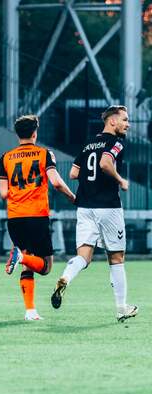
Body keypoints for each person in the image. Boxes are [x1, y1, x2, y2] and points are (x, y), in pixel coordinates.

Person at [51, 105, 138, 323]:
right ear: (112, 121)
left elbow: (73, 173)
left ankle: (65, 278)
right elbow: (105, 163)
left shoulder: (89, 144)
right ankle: (121, 308)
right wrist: (120, 180)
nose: (127, 124)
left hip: (85, 207)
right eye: (124, 120)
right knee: (116, 258)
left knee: (83, 256)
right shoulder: (116, 143)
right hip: (108, 207)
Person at [0, 114, 75, 321]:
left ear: (17, 134)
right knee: (46, 267)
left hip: (15, 217)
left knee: (28, 263)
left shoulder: (5, 157)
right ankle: (20, 257)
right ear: (35, 133)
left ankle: (30, 311)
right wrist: (72, 197)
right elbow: (56, 183)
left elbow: (3, 193)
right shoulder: (44, 154)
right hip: (36, 215)